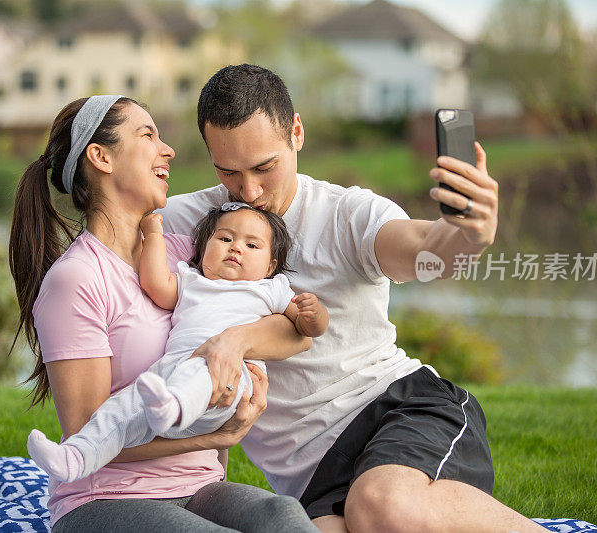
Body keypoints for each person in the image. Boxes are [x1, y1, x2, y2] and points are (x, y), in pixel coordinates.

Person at [157, 65, 547, 532]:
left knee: (384, 507)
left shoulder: (349, 213)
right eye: (229, 171)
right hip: (314, 480)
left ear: (296, 133)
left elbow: (427, 252)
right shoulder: (190, 221)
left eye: (265, 167)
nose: (250, 192)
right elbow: (96, 243)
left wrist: (468, 236)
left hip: (396, 410)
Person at [9, 94, 321, 532]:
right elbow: (85, 433)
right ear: (101, 157)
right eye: (148, 134)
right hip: (106, 498)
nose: (168, 149)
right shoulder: (76, 279)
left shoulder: (183, 255)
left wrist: (233, 343)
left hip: (199, 487)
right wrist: (216, 436)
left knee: (284, 515)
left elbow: (297, 334)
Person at [26, 202, 328, 483]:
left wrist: (314, 316)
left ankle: (174, 407)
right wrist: (154, 234)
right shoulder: (191, 277)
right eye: (224, 239)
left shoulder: (270, 288)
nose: (236, 247)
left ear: (270, 266)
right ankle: (76, 457)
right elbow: (156, 284)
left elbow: (303, 330)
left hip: (229, 380)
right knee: (121, 406)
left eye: (251, 245)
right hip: (170, 371)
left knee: (199, 372)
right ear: (203, 247)